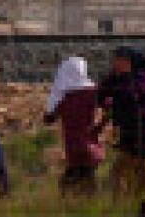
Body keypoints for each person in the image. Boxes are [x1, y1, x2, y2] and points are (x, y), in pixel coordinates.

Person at [97, 47, 145, 216]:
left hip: (140, 133)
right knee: (142, 176)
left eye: (118, 60)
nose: (114, 63)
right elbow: (101, 94)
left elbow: (129, 99)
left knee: (117, 173)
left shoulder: (141, 79)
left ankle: (117, 208)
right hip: (129, 132)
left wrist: (116, 89)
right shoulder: (119, 79)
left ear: (128, 62)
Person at [43, 55, 103, 195]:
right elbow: (108, 106)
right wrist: (99, 126)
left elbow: (48, 119)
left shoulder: (65, 98)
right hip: (90, 145)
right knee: (86, 182)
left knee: (70, 185)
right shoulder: (93, 93)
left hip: (74, 148)